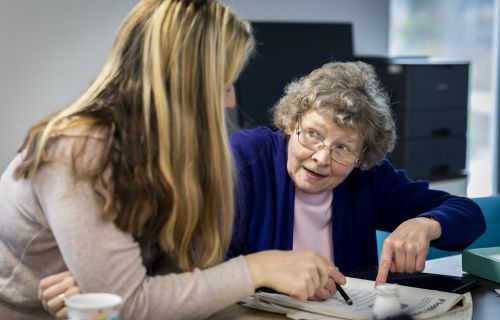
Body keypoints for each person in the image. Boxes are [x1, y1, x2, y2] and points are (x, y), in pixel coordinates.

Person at [0, 1, 345, 319]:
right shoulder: (77, 149)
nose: (229, 101)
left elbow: (179, 278)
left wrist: (112, 287)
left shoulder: (167, 154)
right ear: (187, 85)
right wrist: (260, 268)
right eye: (224, 84)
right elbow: (131, 303)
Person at [227, 61, 486, 285]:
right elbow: (208, 266)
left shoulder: (367, 177)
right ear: (290, 124)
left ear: (362, 156)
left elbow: (469, 214)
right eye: (312, 134)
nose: (321, 158)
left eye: (342, 148)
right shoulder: (248, 158)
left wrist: (426, 224)